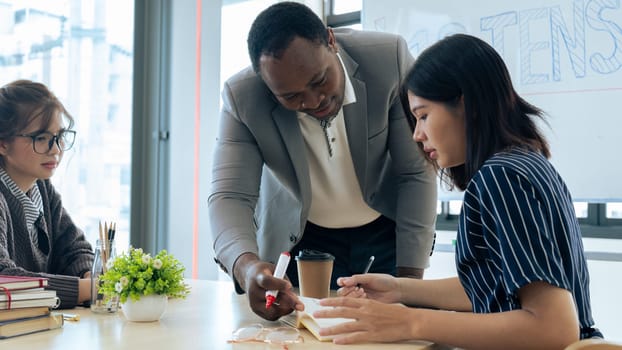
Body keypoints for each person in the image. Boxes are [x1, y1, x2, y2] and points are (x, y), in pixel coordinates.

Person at [313, 33, 603, 348]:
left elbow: (554, 328)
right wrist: (400, 289)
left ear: (467, 104)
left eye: (423, 115)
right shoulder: (526, 164)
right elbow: (500, 286)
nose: (417, 135)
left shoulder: (500, 178)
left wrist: (410, 322)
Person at [208, 2, 437, 321]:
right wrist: (247, 268)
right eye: (291, 97)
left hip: (385, 233)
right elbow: (229, 195)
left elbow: (415, 172)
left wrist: (411, 283)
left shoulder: (389, 59)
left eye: (319, 81)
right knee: (302, 334)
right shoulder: (241, 96)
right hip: (302, 241)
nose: (313, 102)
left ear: (331, 41)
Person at [0, 79, 94, 309]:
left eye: (59, 136)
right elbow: (5, 280)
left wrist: (89, 275)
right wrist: (86, 290)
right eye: (41, 138)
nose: (56, 149)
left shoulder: (41, 187)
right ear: (3, 144)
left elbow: (75, 248)